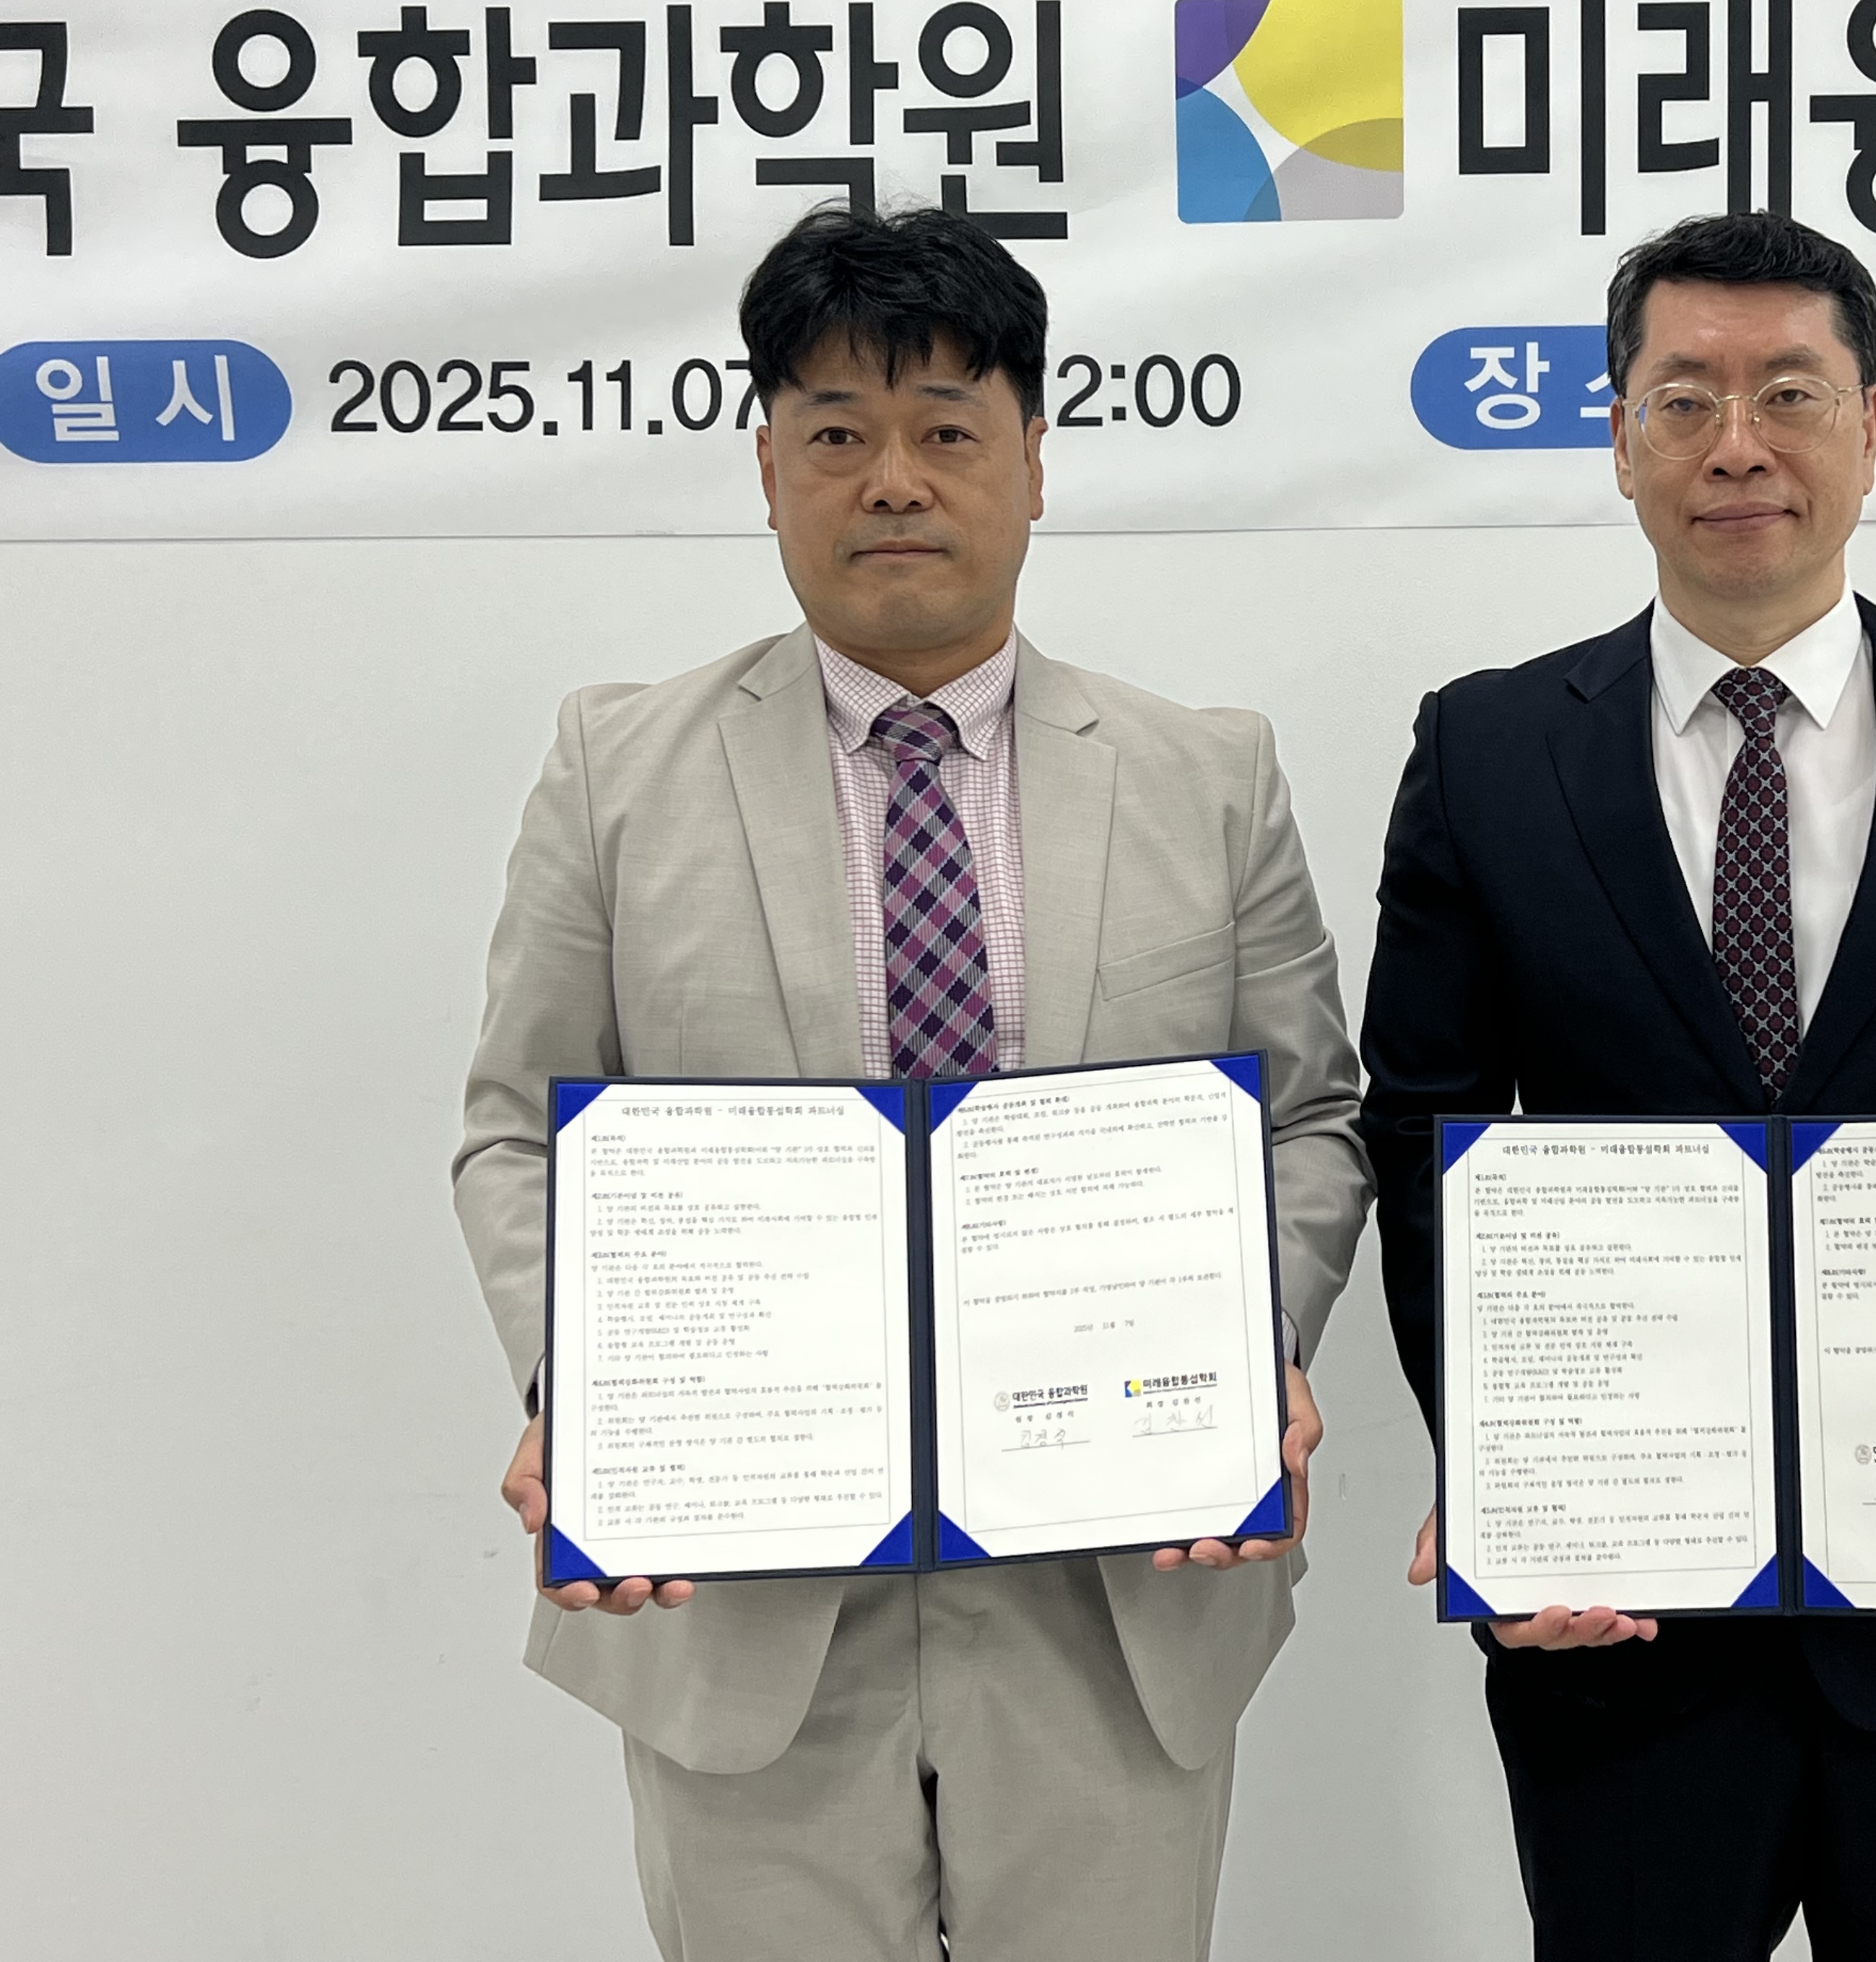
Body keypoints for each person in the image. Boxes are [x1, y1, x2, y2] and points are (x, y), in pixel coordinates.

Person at [453, 204, 1369, 1961]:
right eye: (836, 435)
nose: (892, 481)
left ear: (1034, 460)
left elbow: (1308, 1120)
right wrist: (589, 1382)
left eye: (947, 429)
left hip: (1108, 1587)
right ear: (768, 468)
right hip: (747, 1594)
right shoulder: (616, 769)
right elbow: (517, 1128)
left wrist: (1254, 1342)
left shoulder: (1207, 776)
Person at [1360, 211, 1876, 1961]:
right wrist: (1507, 1478)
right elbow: (1427, 1133)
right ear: (1619, 439)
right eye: (1684, 400)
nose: (1737, 444)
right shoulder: (1490, 750)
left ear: (1871, 426)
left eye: (1790, 393)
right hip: (1621, 1621)